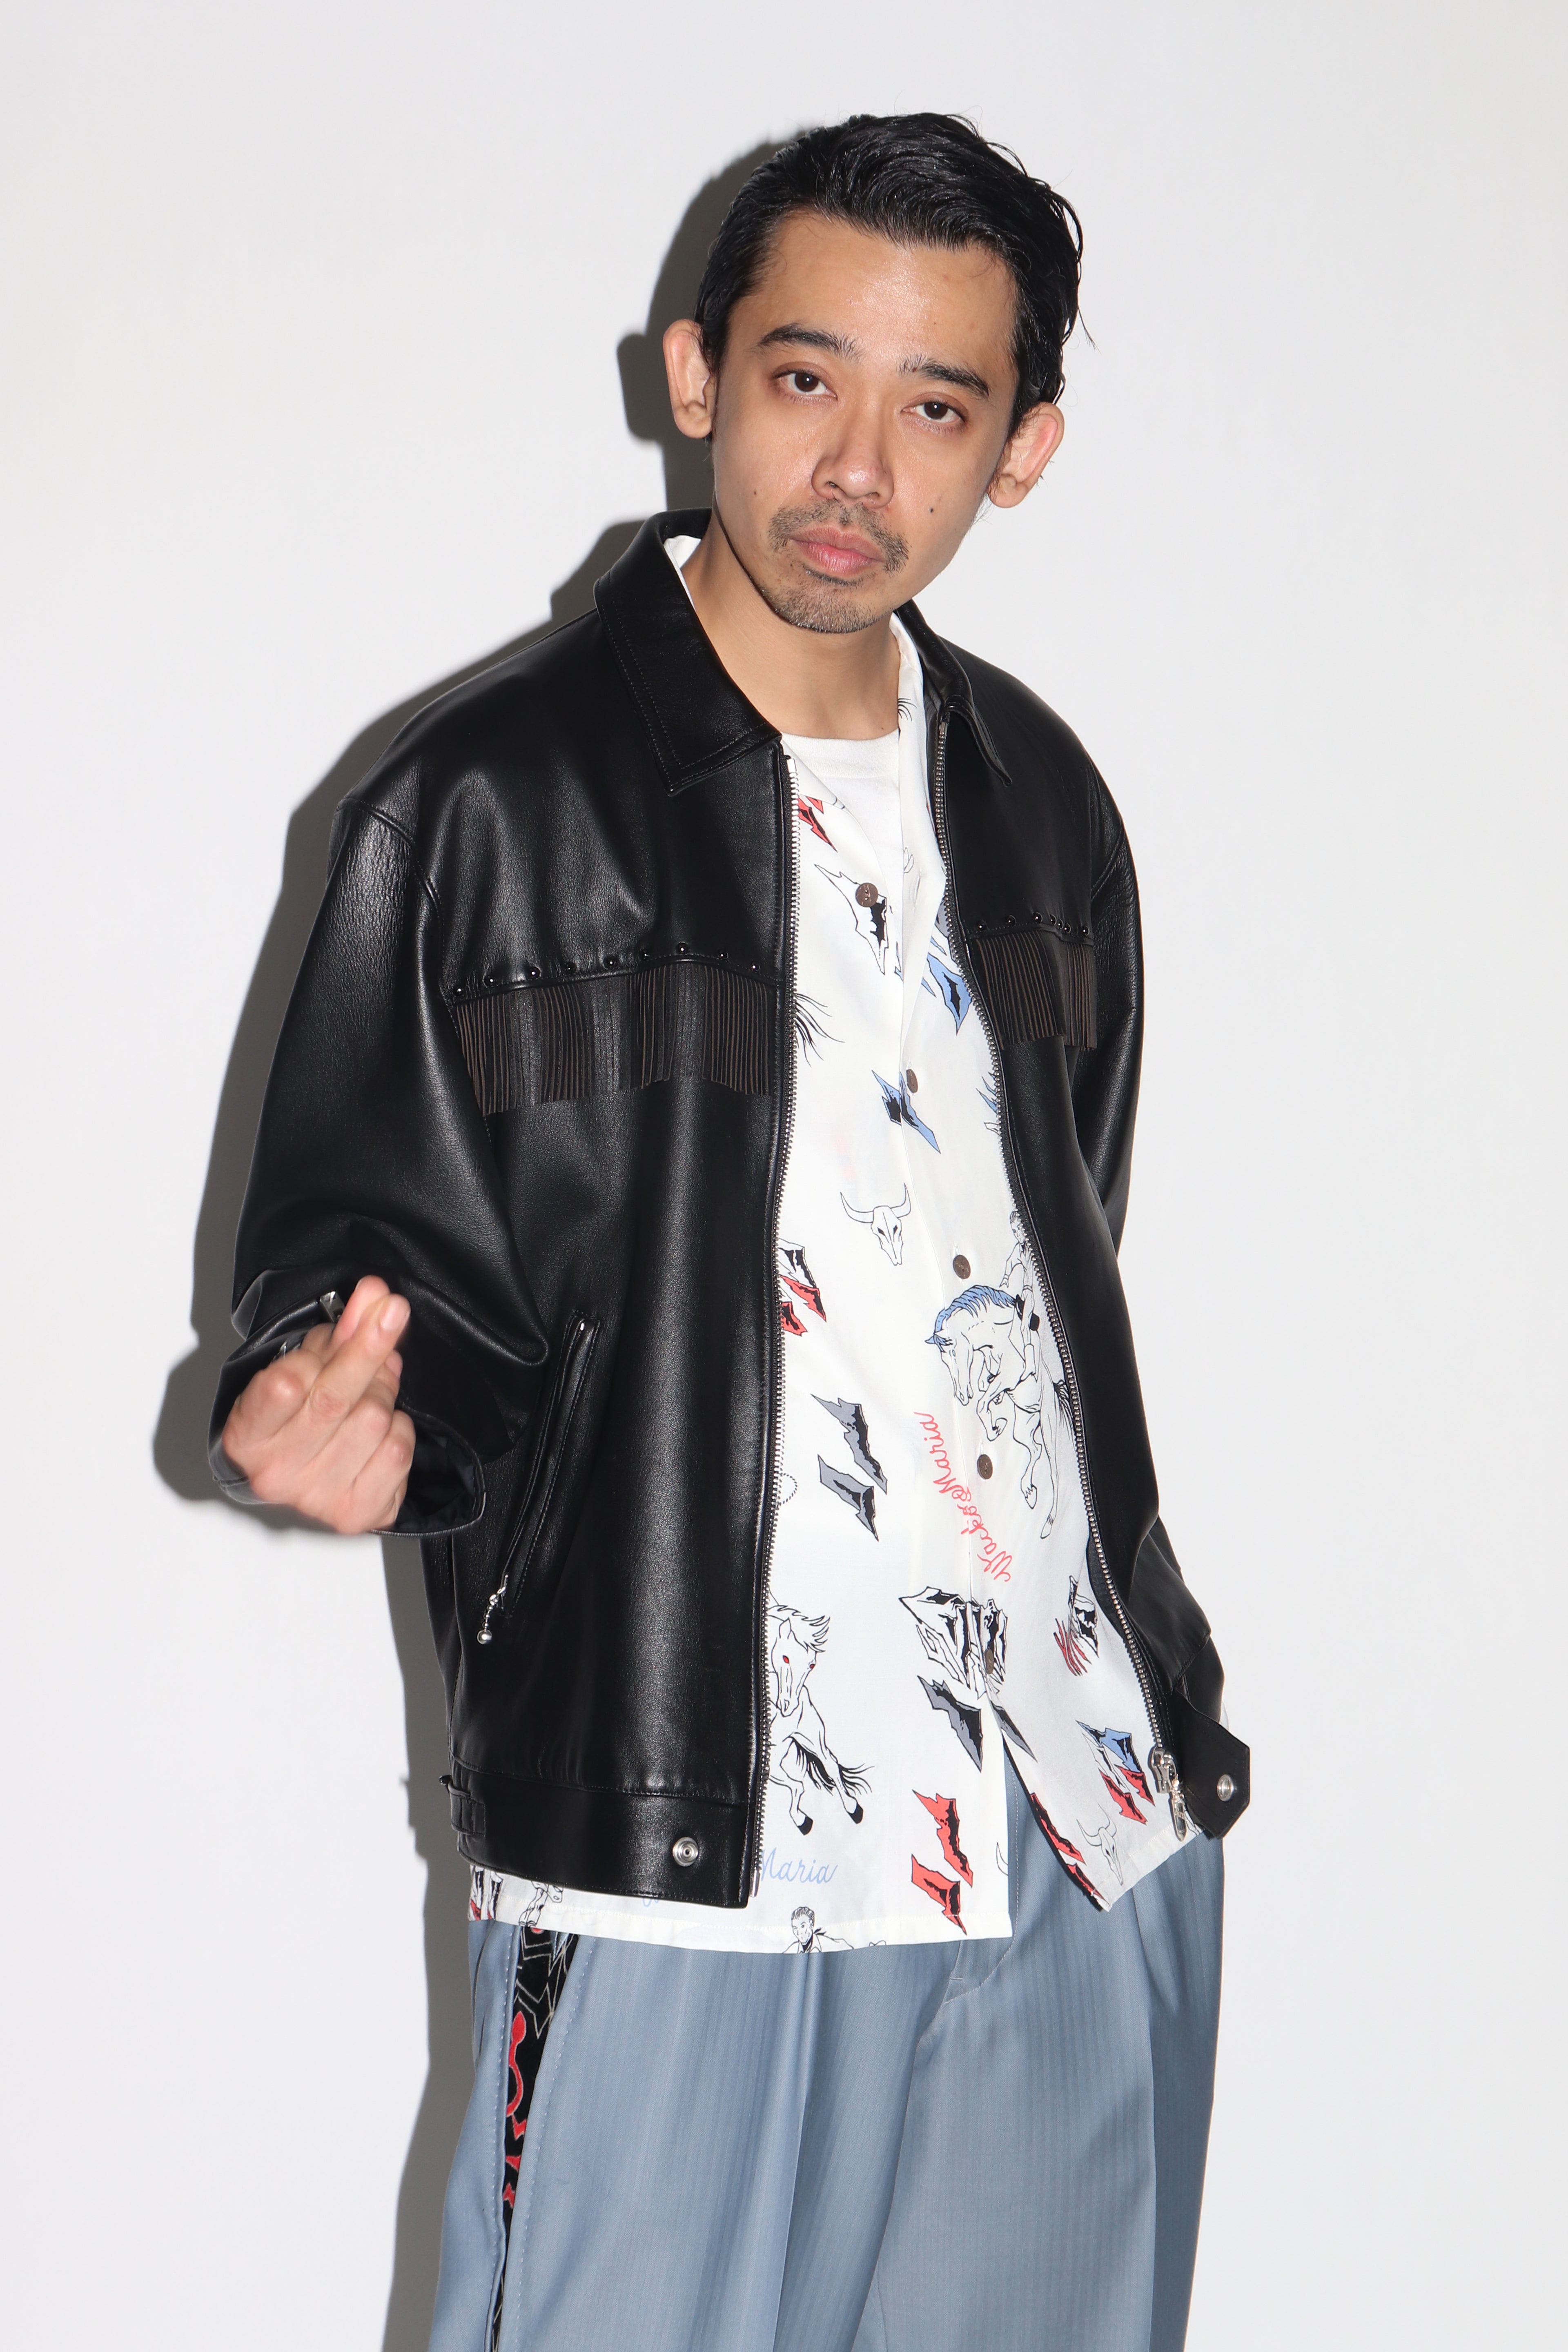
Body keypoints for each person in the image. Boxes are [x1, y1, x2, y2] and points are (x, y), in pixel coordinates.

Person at [212, 113, 1250, 2352]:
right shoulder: (484, 803)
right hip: (691, 1849)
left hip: (1080, 1822)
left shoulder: (1046, 806)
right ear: (695, 374)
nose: (855, 466)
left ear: (1024, 449)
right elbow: (373, 1286)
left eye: (937, 407)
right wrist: (339, 1416)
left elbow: (1047, 1268)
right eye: (804, 378)